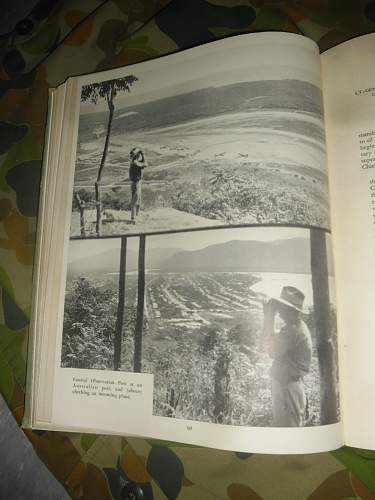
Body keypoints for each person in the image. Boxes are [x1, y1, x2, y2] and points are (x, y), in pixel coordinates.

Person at [263, 286, 312, 427]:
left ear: (290, 310)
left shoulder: (292, 331)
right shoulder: (297, 326)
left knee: (286, 429)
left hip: (286, 388)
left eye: (281, 306)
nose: (278, 309)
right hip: (290, 385)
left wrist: (268, 317)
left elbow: (271, 351)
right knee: (290, 426)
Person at [129, 147, 148, 223]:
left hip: (136, 183)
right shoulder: (135, 163)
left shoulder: (134, 161)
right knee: (135, 201)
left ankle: (136, 216)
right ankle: (133, 218)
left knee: (138, 201)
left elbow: (143, 162)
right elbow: (145, 164)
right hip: (136, 183)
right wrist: (142, 154)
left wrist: (141, 154)